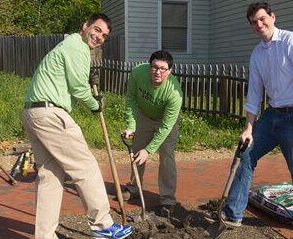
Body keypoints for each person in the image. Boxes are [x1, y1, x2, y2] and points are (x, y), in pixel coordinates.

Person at [209, 2, 293, 239]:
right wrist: (249, 128)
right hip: (271, 116)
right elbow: (253, 95)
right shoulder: (257, 54)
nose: (259, 25)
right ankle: (233, 215)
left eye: (262, 19)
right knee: (246, 155)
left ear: (273, 17)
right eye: (254, 22)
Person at [22, 13, 133, 239]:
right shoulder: (76, 46)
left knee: (50, 177)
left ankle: (44, 236)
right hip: (50, 114)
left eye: (104, 35)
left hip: (33, 112)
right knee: (86, 167)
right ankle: (102, 226)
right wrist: (96, 104)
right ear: (85, 26)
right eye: (97, 29)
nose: (99, 36)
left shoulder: (70, 47)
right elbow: (79, 88)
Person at [121, 50, 182, 216]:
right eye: (155, 67)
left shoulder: (174, 93)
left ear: (169, 71)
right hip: (144, 116)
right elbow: (131, 99)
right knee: (136, 151)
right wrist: (131, 126)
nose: (158, 72)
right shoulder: (138, 73)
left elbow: (166, 126)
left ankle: (168, 200)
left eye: (163, 69)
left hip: (165, 122)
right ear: (149, 66)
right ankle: (133, 188)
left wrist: (149, 150)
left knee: (167, 157)